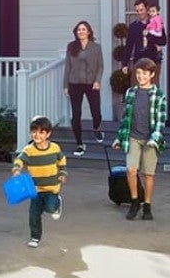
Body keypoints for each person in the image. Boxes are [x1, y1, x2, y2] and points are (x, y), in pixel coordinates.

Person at [111, 58, 167, 221]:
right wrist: (119, 138)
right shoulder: (131, 93)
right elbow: (125, 119)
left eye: (144, 73)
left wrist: (154, 138)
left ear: (152, 74)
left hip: (151, 139)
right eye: (138, 73)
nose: (141, 76)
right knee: (131, 170)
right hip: (133, 137)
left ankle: (147, 205)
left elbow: (161, 121)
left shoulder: (159, 95)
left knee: (148, 174)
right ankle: (135, 201)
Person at [11, 116, 66, 248]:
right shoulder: (29, 150)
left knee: (50, 208)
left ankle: (57, 204)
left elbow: (61, 161)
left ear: (48, 134)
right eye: (34, 131)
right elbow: (20, 160)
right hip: (35, 189)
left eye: (41, 132)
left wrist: (62, 173)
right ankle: (35, 237)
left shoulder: (55, 148)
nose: (37, 135)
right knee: (33, 215)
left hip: (52, 188)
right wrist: (16, 168)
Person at [63, 20, 105, 157]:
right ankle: (80, 144)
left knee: (96, 111)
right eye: (78, 30)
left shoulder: (96, 47)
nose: (81, 31)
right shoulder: (71, 46)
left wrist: (98, 81)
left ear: (88, 32)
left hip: (92, 83)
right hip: (75, 83)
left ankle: (96, 128)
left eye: (83, 29)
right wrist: (65, 85)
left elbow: (100, 66)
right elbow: (67, 67)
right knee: (76, 115)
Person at [122, 0, 167, 72]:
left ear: (147, 9)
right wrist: (125, 64)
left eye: (141, 10)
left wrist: (149, 36)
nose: (139, 13)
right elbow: (129, 46)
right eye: (137, 11)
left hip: (153, 62)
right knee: (136, 83)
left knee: (153, 83)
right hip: (138, 63)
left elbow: (163, 41)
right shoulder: (133, 26)